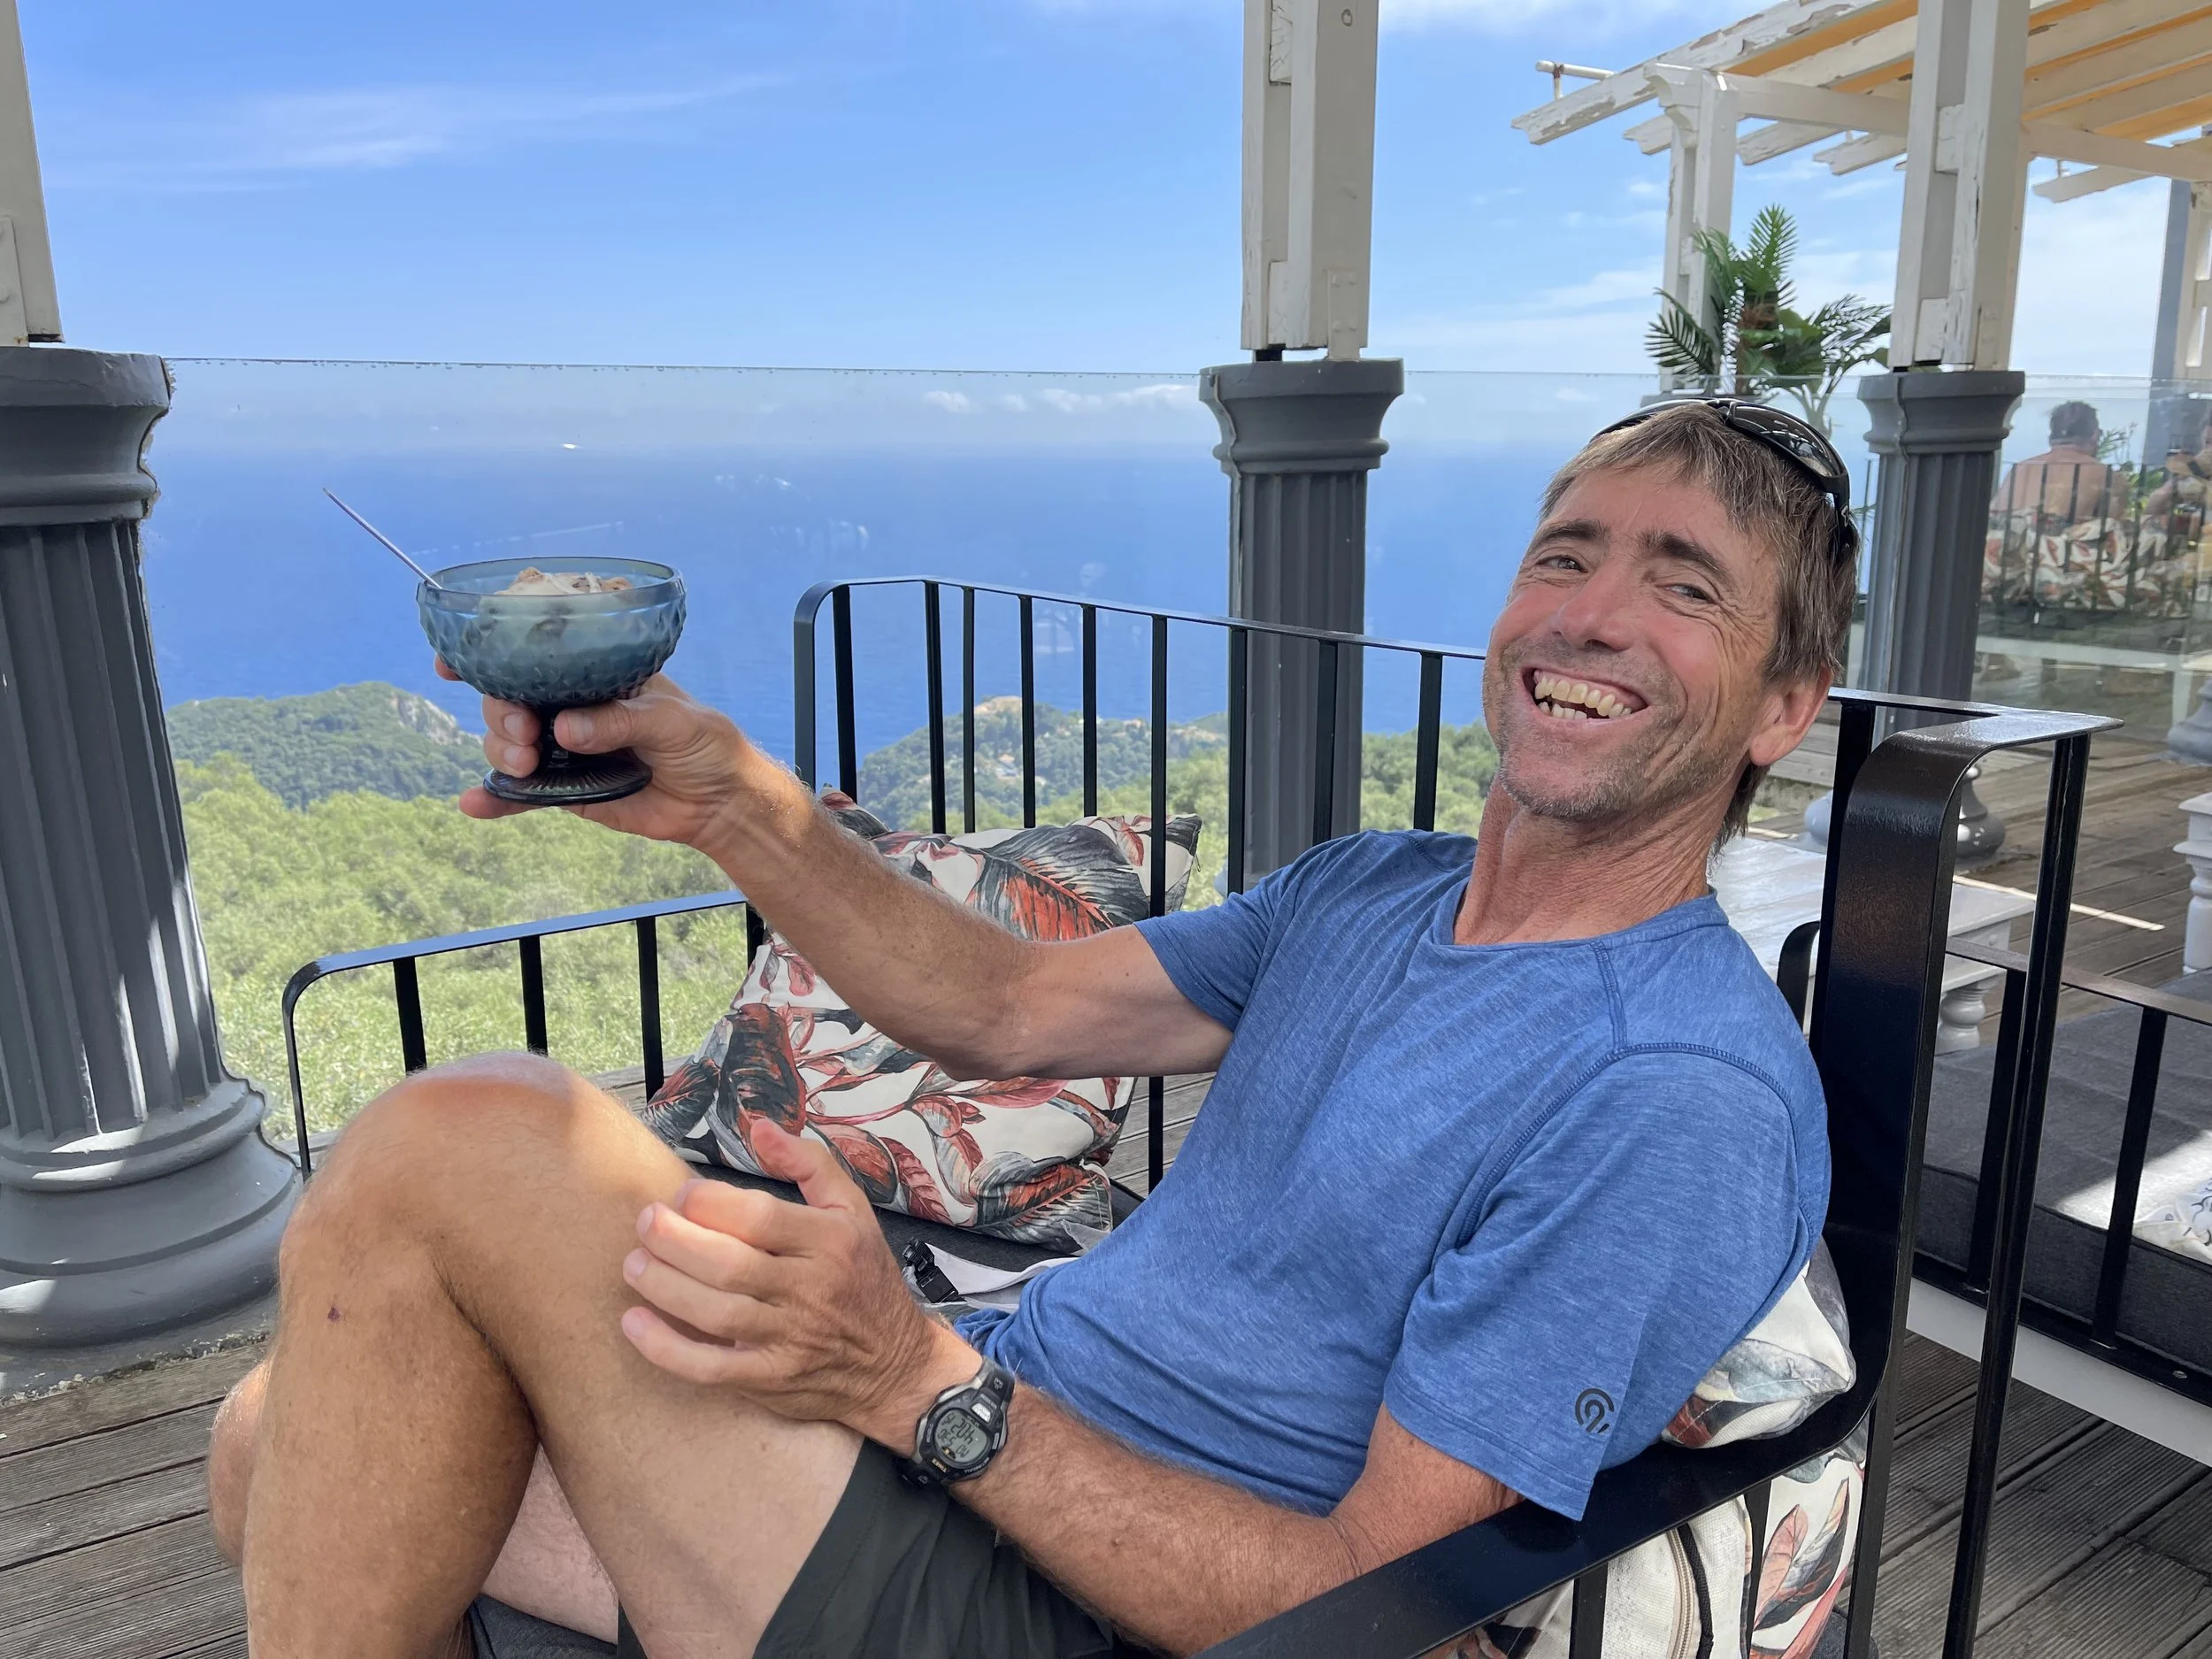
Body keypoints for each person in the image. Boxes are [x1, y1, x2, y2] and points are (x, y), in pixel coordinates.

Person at [206, 399, 1853, 1659]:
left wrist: (911, 1376)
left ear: (1785, 705)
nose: (1590, 613)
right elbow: (1001, 1006)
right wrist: (729, 801)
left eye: (1684, 585)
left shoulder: (1674, 1091)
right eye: (1565, 554)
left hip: (1089, 1599)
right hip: (978, 1449)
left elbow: (1368, 1610)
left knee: (461, 1141)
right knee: (268, 1441)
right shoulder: (1372, 893)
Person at [1992, 399, 2121, 525]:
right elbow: (2114, 527)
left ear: (2051, 437)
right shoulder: (2106, 475)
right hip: (2058, 538)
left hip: (2004, 538)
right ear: (2095, 435)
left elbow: (1994, 518)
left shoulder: (2020, 469)